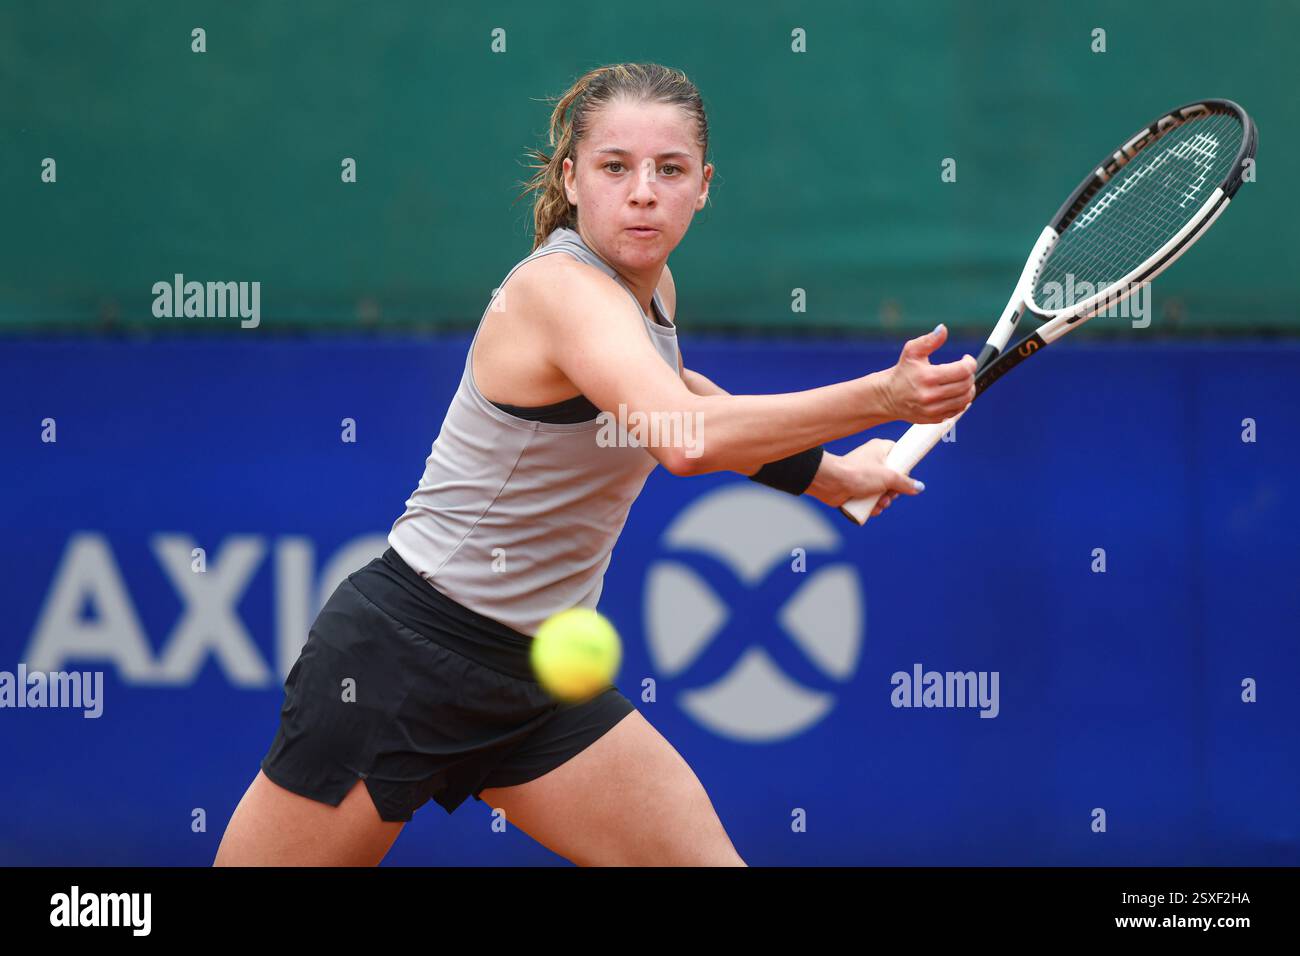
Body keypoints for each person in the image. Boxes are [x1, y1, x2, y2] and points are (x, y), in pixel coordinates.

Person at [214, 62, 975, 867]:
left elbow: (680, 391)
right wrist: (884, 396)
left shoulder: (651, 286)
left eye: (669, 169)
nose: (643, 191)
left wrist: (833, 477)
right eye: (616, 167)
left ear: (704, 186)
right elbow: (682, 436)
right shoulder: (558, 291)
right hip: (400, 661)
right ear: (572, 180)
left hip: (537, 684)